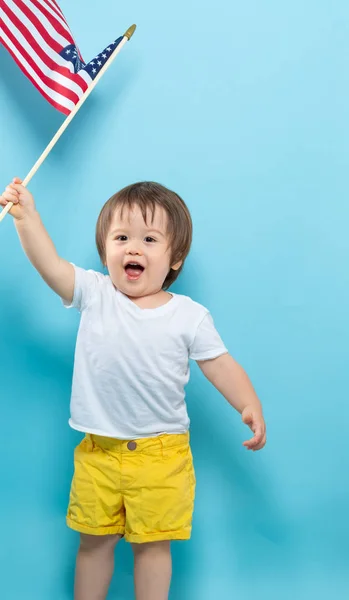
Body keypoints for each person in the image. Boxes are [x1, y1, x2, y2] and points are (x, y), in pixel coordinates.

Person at [0, 177, 266, 600]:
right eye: (121, 237)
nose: (133, 248)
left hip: (161, 455)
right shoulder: (95, 292)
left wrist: (247, 403)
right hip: (99, 453)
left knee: (153, 547)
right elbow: (49, 264)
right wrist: (26, 218)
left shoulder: (188, 315)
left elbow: (219, 364)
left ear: (174, 257)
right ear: (105, 249)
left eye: (149, 239)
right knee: (93, 544)